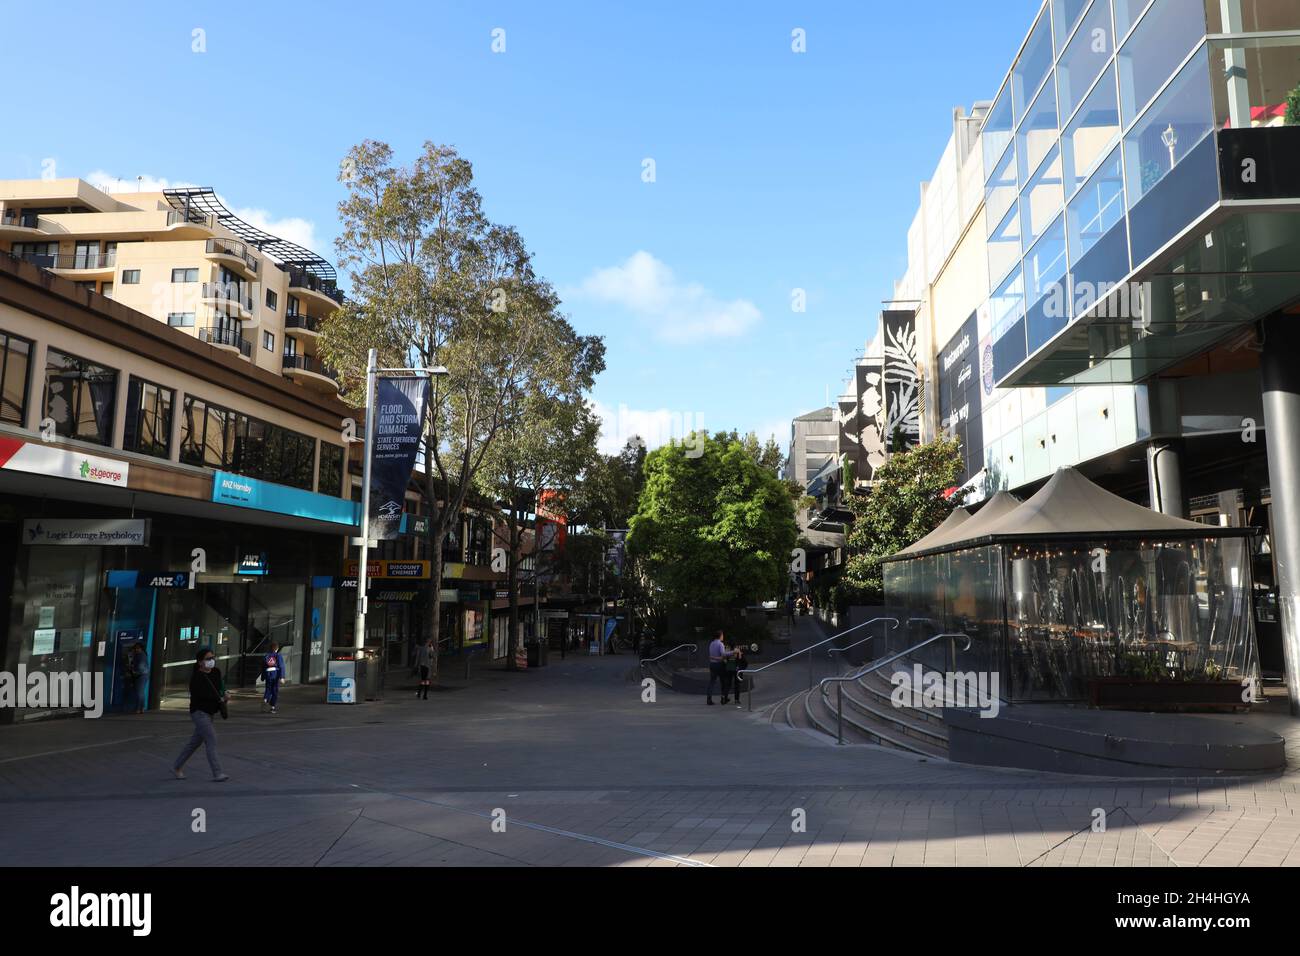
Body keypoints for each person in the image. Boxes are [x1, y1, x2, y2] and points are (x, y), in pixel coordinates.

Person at [172, 648, 229, 782]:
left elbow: (220, 686)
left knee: (194, 743)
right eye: (208, 659)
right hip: (199, 713)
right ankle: (217, 773)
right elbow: (201, 696)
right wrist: (219, 698)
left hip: (210, 713)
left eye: (213, 658)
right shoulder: (196, 678)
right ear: (200, 662)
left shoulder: (216, 672)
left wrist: (225, 693)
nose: (212, 661)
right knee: (212, 739)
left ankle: (176, 766)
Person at [706, 629, 736, 706]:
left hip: (712, 664)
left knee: (712, 682)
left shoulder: (711, 643)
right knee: (723, 681)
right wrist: (733, 652)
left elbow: (711, 655)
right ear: (720, 636)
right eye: (722, 635)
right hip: (719, 665)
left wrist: (714, 658)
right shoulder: (720, 644)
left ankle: (709, 699)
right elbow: (723, 654)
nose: (723, 637)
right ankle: (723, 698)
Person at [261, 642, 286, 714]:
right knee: (274, 691)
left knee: (268, 688)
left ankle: (265, 699)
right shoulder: (278, 655)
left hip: (268, 674)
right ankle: (272, 707)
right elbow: (281, 666)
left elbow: (263, 667)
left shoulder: (266, 656)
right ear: (277, 649)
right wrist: (282, 677)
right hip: (275, 675)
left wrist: (263, 677)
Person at [125, 642, 148, 714]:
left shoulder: (140, 655)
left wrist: (134, 671)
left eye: (138, 648)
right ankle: (142, 708)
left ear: (141, 648)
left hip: (140, 675)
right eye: (135, 648)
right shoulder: (142, 654)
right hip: (143, 675)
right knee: (141, 692)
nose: (136, 649)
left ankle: (139, 708)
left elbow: (140, 666)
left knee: (139, 693)